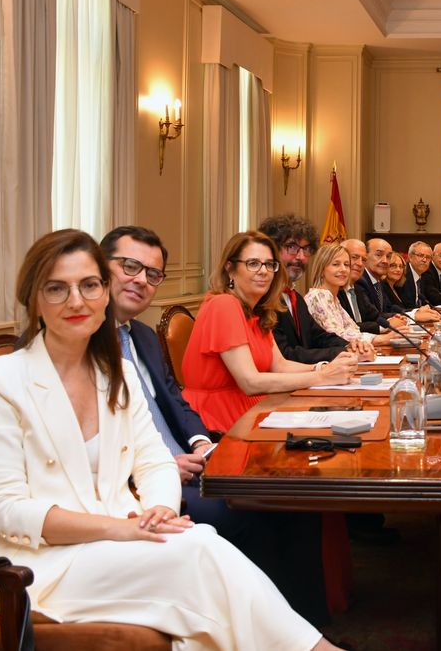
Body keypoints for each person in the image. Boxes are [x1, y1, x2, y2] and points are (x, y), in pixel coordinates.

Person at [0, 228, 341, 650]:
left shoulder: (116, 372)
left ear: (104, 293)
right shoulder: (0, 379)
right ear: (34, 299)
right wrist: (120, 529)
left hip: (124, 534)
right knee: (198, 553)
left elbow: (154, 460)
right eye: (56, 288)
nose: (77, 301)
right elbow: (2, 509)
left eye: (89, 286)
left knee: (198, 546)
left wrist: (158, 508)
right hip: (33, 564)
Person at [101, 225, 332, 626]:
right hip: (143, 480)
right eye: (129, 267)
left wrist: (200, 444)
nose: (141, 280)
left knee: (299, 506)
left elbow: (174, 401)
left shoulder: (141, 335)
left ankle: (305, 627)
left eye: (152, 274)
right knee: (260, 514)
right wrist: (165, 463)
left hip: (191, 456)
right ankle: (268, 631)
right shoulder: (79, 343)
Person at [182, 231, 358, 434]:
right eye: (253, 263)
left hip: (254, 409)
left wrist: (325, 367)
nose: (263, 271)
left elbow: (280, 365)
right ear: (230, 268)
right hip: (218, 421)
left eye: (269, 264)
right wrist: (323, 377)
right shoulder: (224, 304)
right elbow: (250, 382)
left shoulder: (258, 310)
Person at [257, 214, 367, 364]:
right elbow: (286, 354)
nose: (301, 256)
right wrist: (341, 353)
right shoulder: (263, 298)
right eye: (292, 247)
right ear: (272, 249)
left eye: (306, 249)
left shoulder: (296, 298)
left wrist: (350, 346)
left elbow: (319, 336)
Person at [305, 242, 398, 346]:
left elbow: (354, 329)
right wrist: (380, 339)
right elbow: (337, 335)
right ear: (321, 269)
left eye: (346, 265)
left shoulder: (332, 297)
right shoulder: (318, 296)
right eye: (336, 264)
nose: (343, 270)